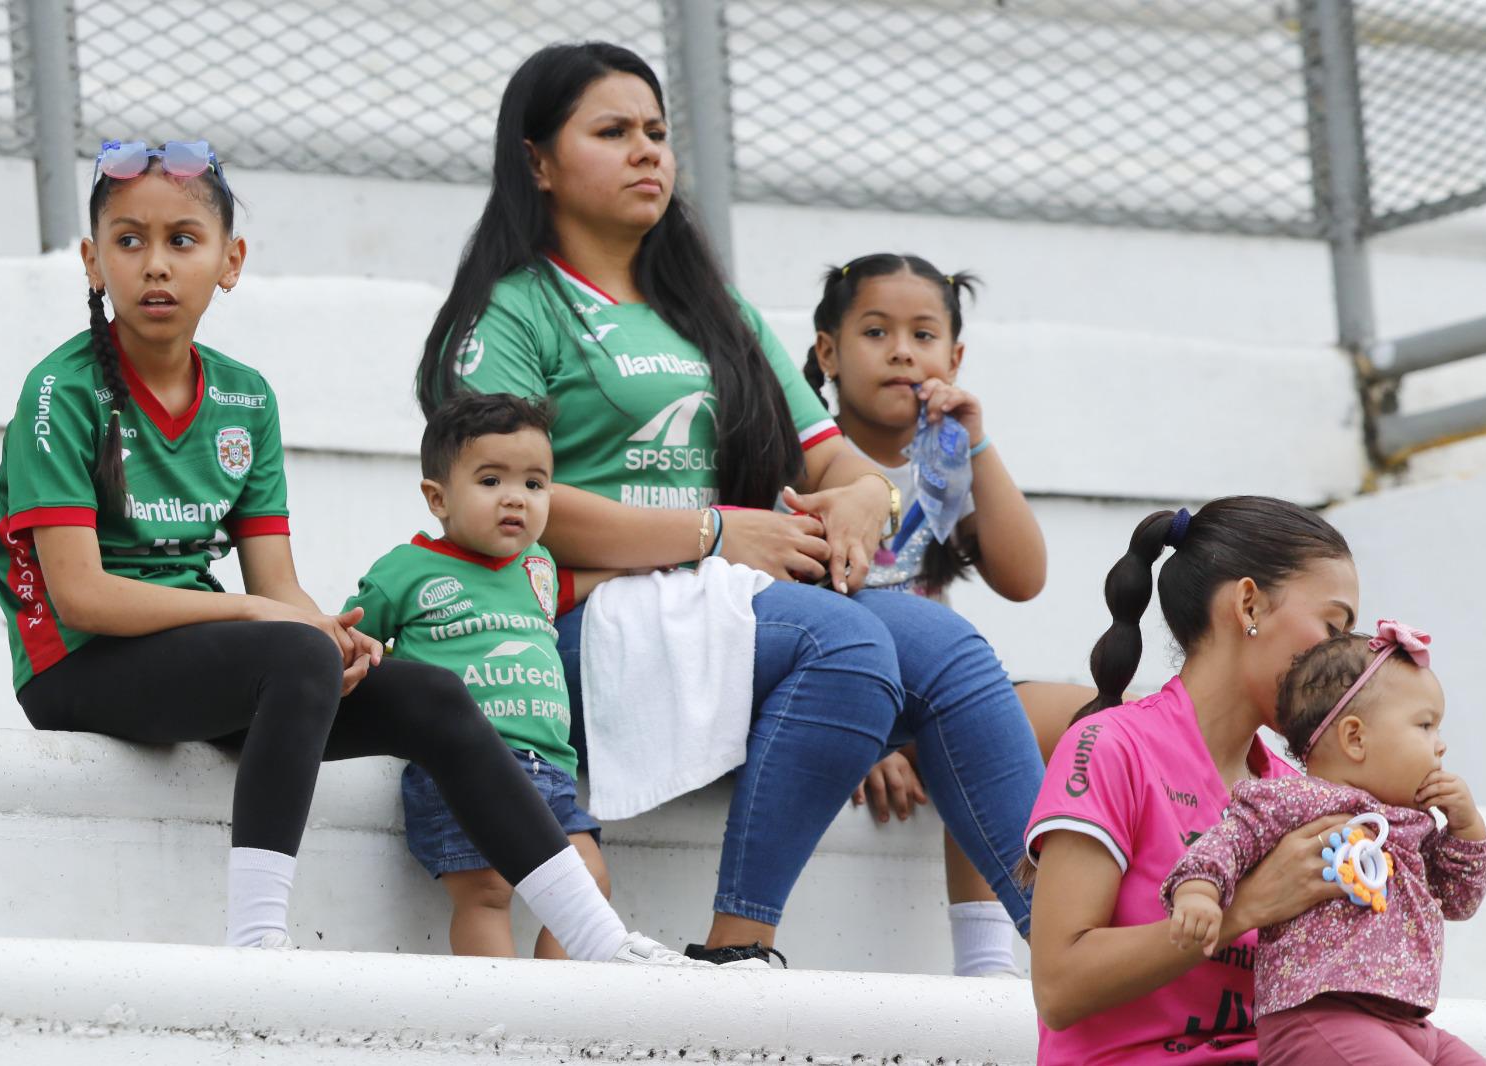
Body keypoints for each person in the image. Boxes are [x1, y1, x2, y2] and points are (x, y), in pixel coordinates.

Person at [415, 41, 1046, 967]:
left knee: (948, 648)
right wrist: (710, 533)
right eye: (613, 132)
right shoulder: (511, 313)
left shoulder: (710, 307)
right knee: (849, 642)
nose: (647, 153)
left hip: (706, 608)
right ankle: (737, 949)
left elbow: (830, 460)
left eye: (658, 133)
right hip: (569, 624)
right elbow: (508, 505)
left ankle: (1061, 953)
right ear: (537, 162)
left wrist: (867, 496)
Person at [0, 138, 687, 965]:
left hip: (195, 654)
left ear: (230, 260)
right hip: (79, 666)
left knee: (425, 693)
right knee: (290, 650)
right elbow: (83, 597)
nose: (155, 265)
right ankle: (257, 940)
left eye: (183, 240)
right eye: (128, 242)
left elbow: (275, 585)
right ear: (93, 262)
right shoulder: (61, 392)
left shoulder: (245, 396)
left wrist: (331, 635)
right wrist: (272, 622)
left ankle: (602, 942)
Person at [1024, 498, 1367, 1063]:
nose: (1345, 660)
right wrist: (1245, 909)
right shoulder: (1113, 745)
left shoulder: (1298, 792)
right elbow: (1059, 987)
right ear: (1249, 603)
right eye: (1334, 627)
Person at [802, 251, 1062, 976]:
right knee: (968, 717)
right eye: (876, 332)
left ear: (954, 355)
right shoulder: (807, 464)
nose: (901, 353)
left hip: (938, 703)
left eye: (923, 336)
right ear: (829, 350)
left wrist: (976, 441)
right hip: (845, 702)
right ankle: (987, 964)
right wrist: (871, 742)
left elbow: (1024, 576)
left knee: (1103, 714)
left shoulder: (943, 461)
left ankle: (1004, 959)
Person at [344, 391, 622, 959]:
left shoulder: (539, 564)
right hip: (462, 770)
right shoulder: (407, 569)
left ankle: (552, 1018)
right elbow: (350, 636)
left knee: (590, 884)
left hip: (551, 772)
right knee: (488, 892)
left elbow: (566, 593)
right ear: (438, 497)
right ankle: (501, 1027)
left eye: (534, 484)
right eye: (491, 481)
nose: (515, 499)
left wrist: (649, 559)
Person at [1164, 621, 1486, 1065]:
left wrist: (1467, 826)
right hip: (1320, 1015)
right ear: (1355, 738)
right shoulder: (1296, 798)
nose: (1441, 747)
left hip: (1408, 1024)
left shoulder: (1414, 828)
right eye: (1425, 726)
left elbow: (1459, 899)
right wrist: (1200, 891)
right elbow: (1228, 841)